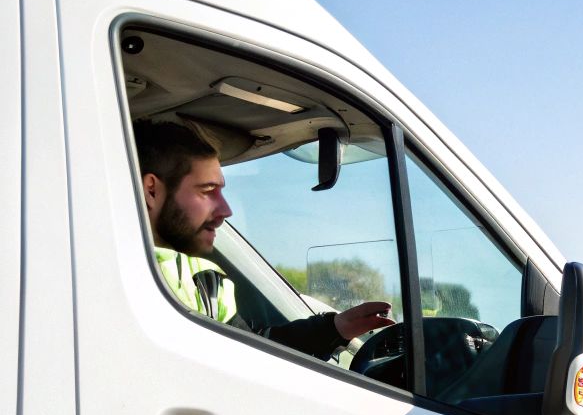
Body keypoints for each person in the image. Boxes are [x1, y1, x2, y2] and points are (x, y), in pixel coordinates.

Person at [133, 120, 394, 358]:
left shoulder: (205, 280)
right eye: (208, 191)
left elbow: (253, 351)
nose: (225, 211)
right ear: (152, 190)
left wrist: (336, 328)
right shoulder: (110, 278)